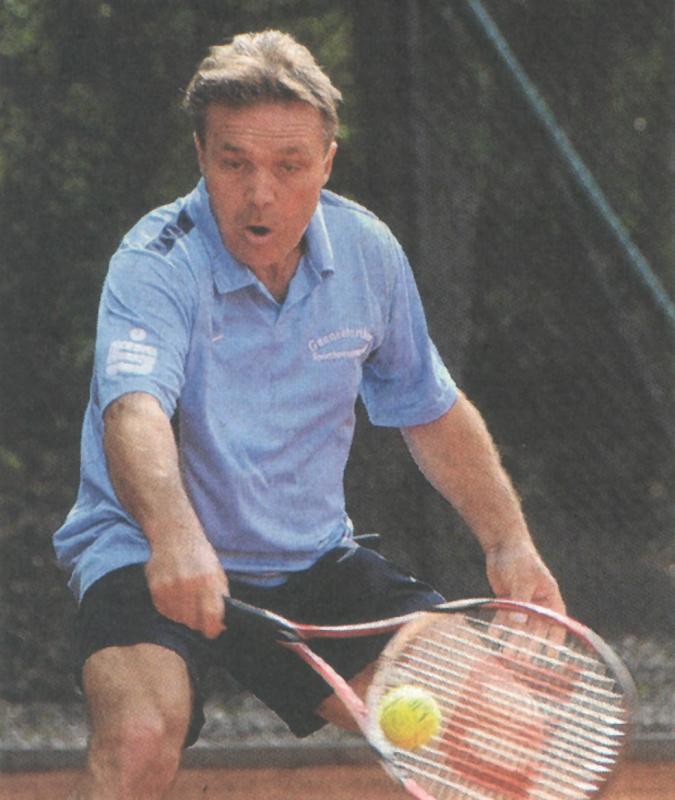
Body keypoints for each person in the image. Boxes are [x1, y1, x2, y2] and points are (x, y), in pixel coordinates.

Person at [54, 29, 564, 800]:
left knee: (506, 736)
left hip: (309, 561)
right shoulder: (155, 262)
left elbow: (429, 408)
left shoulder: (366, 253)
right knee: (139, 737)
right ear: (201, 155)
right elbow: (133, 413)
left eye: (289, 165)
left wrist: (509, 543)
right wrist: (175, 535)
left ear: (326, 162)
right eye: (235, 163)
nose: (260, 192)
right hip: (145, 550)